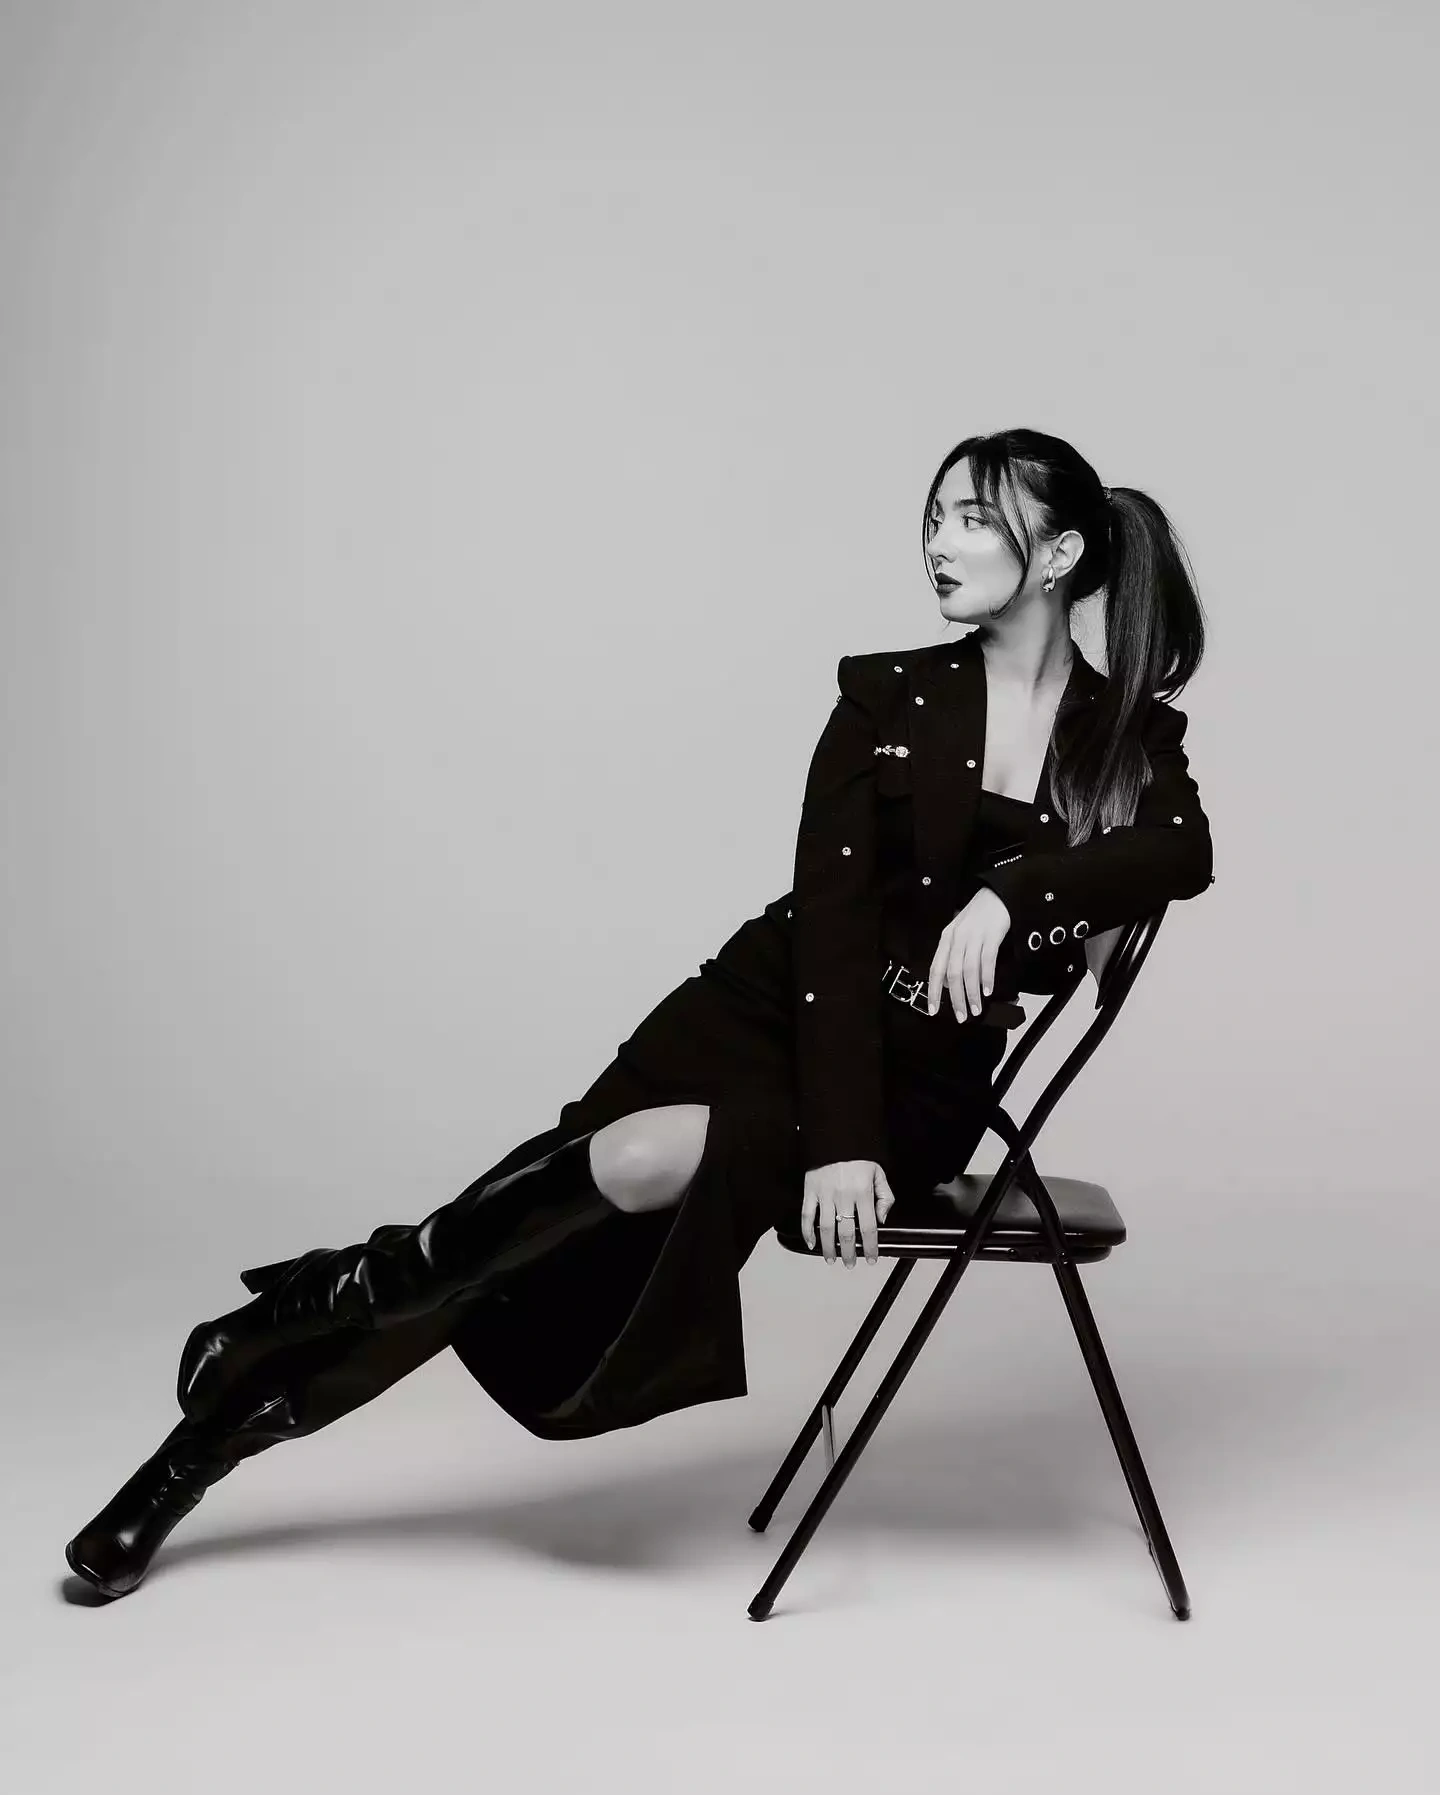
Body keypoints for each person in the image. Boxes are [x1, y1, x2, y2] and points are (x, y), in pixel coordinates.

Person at [64, 426, 1214, 1600]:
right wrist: (840, 1137)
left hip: (914, 1089)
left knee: (603, 1176)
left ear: (1060, 553)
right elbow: (827, 928)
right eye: (935, 517)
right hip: (764, 1007)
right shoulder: (887, 694)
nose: (939, 544)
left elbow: (1184, 851)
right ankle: (191, 1458)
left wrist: (1013, 895)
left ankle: (302, 1306)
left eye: (974, 520)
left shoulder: (1122, 739)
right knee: (518, 1234)